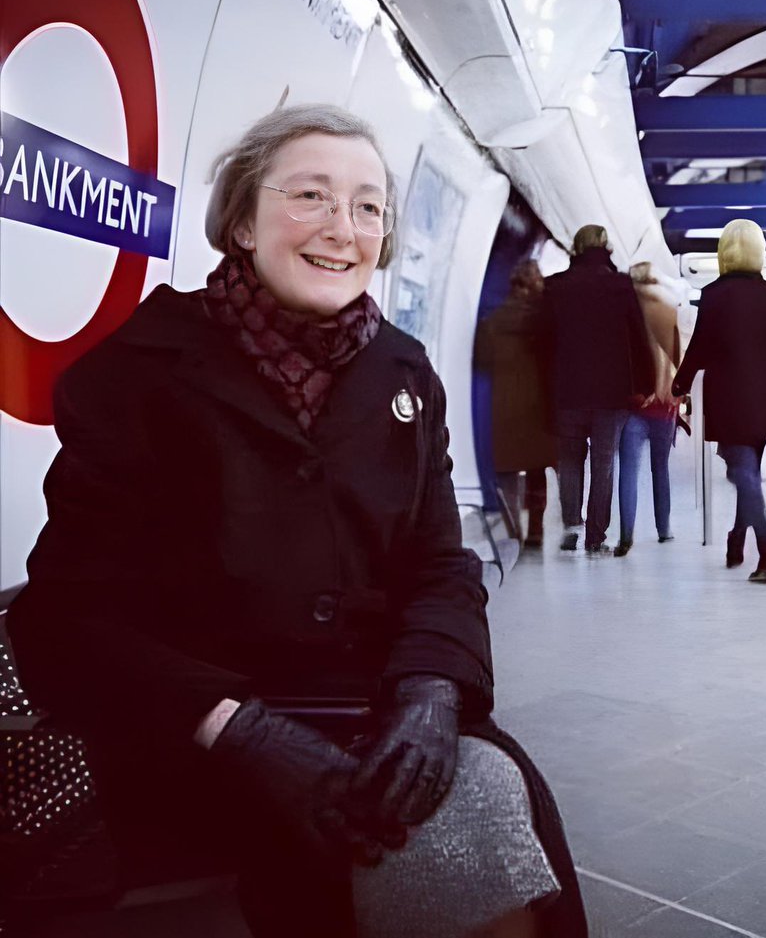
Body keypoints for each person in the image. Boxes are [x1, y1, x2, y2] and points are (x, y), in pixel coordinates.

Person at [7, 105, 586, 938]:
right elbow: (67, 613)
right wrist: (237, 728)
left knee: (491, 813)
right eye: (310, 195)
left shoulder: (404, 372)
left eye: (367, 206)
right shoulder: (138, 374)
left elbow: (438, 564)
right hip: (196, 743)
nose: (341, 228)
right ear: (241, 221)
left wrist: (432, 688)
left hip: (378, 717)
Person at [672, 220, 766, 583]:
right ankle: (736, 540)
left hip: (730, 397)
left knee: (743, 473)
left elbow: (700, 348)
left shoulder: (712, 295)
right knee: (748, 471)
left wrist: (680, 383)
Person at [541, 225, 654, 555]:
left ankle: (570, 529)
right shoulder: (620, 286)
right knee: (603, 464)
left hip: (567, 391)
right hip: (611, 394)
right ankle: (595, 538)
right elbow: (638, 338)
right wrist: (645, 384)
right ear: (605, 247)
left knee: (569, 462)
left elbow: (542, 343)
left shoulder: (555, 287)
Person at [474, 260, 556, 549]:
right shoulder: (545, 322)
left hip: (503, 405)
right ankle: (536, 530)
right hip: (537, 405)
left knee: (507, 472)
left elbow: (482, 362)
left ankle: (513, 533)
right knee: (536, 471)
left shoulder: (492, 322)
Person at [615, 262, 682, 557]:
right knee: (660, 469)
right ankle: (663, 529)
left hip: (633, 405)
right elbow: (677, 357)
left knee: (628, 471)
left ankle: (626, 535)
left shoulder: (622, 313)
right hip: (664, 406)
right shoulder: (668, 309)